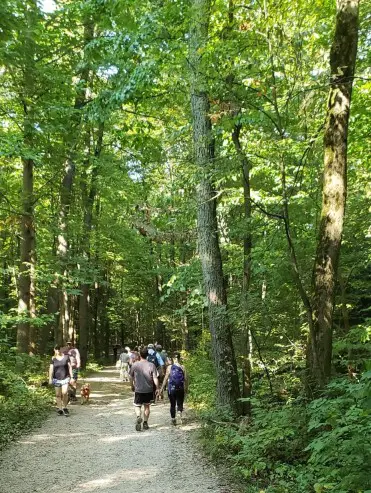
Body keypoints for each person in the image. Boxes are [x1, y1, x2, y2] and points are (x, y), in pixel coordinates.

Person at [129, 346, 159, 431]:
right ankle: (145, 423)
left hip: (138, 389)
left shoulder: (135, 365)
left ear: (139, 355)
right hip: (148, 389)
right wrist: (157, 388)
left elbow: (130, 377)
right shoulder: (151, 365)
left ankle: (138, 416)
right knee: (147, 406)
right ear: (147, 355)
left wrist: (132, 386)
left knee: (137, 405)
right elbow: (155, 378)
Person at [159, 352, 187, 425]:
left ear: (173, 359)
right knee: (180, 403)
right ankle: (179, 413)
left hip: (172, 388)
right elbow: (185, 379)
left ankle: (173, 419)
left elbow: (165, 378)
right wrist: (186, 389)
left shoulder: (170, 367)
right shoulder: (183, 367)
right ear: (179, 358)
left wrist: (162, 388)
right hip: (180, 388)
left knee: (172, 404)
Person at [49, 345, 74, 416]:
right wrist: (50, 379)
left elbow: (69, 367)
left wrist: (72, 377)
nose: (58, 351)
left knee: (65, 392)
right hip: (56, 379)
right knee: (57, 395)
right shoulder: (53, 358)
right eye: (56, 349)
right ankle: (60, 409)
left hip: (65, 378)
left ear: (61, 350)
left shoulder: (66, 357)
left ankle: (65, 407)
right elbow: (51, 369)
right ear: (54, 350)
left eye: (59, 349)